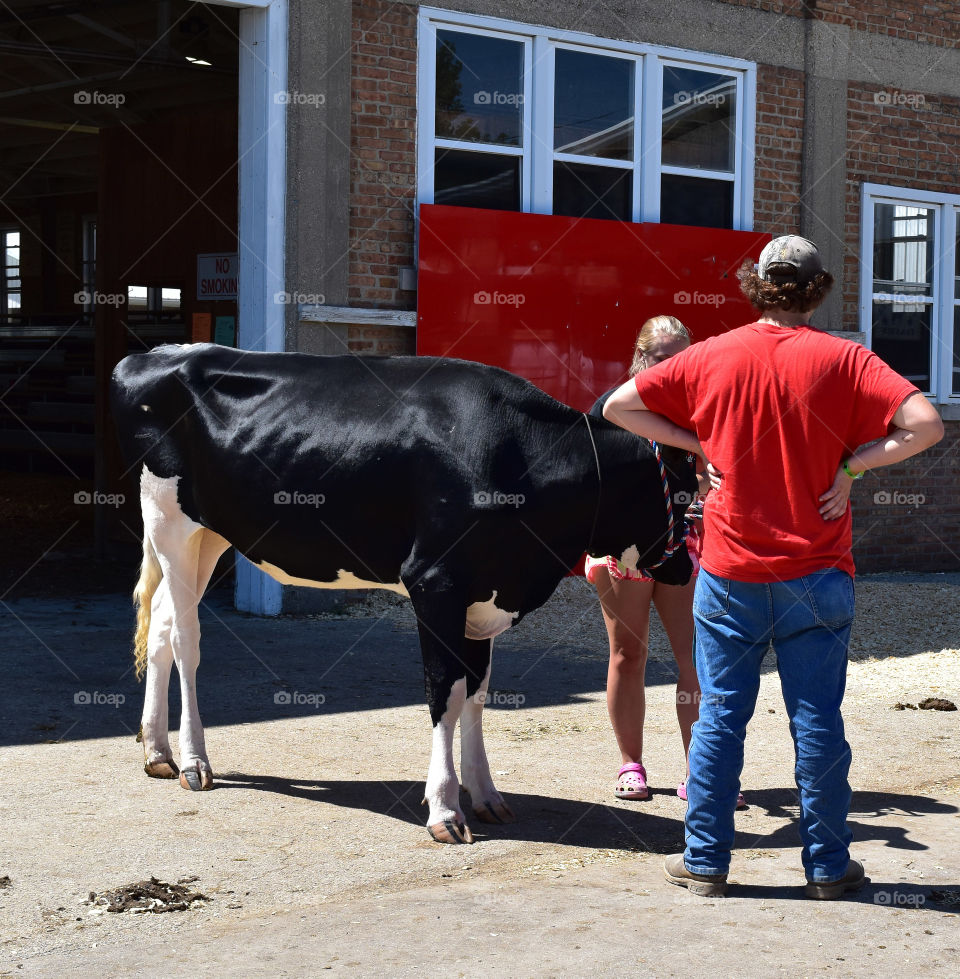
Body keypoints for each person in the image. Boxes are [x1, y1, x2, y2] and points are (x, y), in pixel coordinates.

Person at [603, 236, 943, 899]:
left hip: (729, 573)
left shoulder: (713, 357)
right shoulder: (846, 359)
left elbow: (620, 406)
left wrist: (699, 441)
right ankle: (826, 867)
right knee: (817, 720)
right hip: (818, 575)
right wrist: (854, 465)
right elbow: (926, 423)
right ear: (816, 290)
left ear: (755, 286)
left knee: (721, 717)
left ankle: (704, 862)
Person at [588, 316, 746, 807]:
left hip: (688, 545)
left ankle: (699, 772)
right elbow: (593, 483)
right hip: (625, 550)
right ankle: (630, 765)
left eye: (681, 358)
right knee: (627, 656)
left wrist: (705, 488)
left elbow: (718, 476)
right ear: (641, 359)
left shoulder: (701, 407)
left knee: (696, 662)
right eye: (661, 359)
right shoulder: (611, 410)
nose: (672, 368)